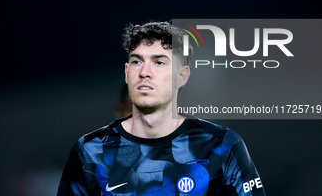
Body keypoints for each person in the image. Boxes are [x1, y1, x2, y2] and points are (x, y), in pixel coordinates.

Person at [57, 21, 266, 195]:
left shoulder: (222, 146)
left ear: (182, 76)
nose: (145, 72)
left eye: (159, 63)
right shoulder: (89, 152)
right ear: (127, 72)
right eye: (137, 62)